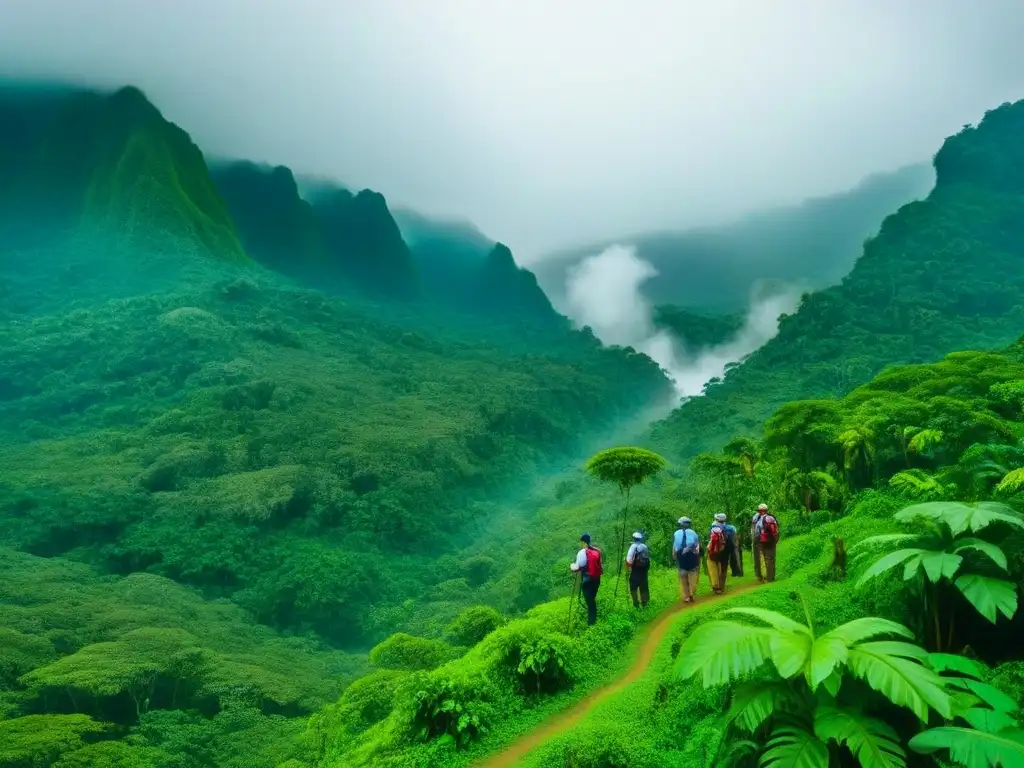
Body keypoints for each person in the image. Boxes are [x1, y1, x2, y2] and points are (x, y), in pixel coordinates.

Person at [570, 533, 603, 625]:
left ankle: (591, 623)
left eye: (581, 542)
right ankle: (592, 620)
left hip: (587, 581)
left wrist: (571, 566)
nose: (580, 544)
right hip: (596, 579)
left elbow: (577, 567)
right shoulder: (597, 551)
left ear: (583, 542)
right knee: (591, 599)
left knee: (590, 602)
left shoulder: (581, 553)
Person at [672, 517, 701, 603]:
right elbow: (696, 545)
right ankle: (691, 593)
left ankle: (686, 596)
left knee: (683, 576)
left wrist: (674, 556)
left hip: (681, 556)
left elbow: (675, 546)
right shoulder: (693, 533)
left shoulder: (676, 533)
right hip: (691, 556)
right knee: (692, 575)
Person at [707, 513, 734, 594]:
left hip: (714, 551)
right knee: (723, 569)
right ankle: (721, 586)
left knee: (713, 567)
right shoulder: (730, 528)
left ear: (716, 519)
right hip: (725, 552)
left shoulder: (713, 527)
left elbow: (710, 539)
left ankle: (716, 587)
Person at [753, 505, 780, 582]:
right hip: (772, 541)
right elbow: (776, 530)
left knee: (765, 559)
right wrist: (776, 540)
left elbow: (757, 533)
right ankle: (772, 577)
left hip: (763, 542)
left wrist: (757, 542)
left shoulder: (759, 520)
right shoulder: (772, 518)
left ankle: (767, 577)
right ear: (766, 510)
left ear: (760, 511)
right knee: (772, 559)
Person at [625, 531, 651, 609]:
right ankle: (645, 604)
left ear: (634, 538)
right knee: (644, 587)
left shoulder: (633, 546)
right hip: (644, 571)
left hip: (635, 570)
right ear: (640, 539)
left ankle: (636, 605)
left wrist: (627, 565)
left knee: (633, 587)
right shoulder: (644, 546)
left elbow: (629, 560)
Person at [751, 504, 767, 582]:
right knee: (764, 556)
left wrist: (753, 538)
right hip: (767, 540)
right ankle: (764, 574)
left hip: (758, 539)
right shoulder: (769, 517)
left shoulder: (755, 517)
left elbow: (753, 530)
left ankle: (760, 575)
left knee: (758, 557)